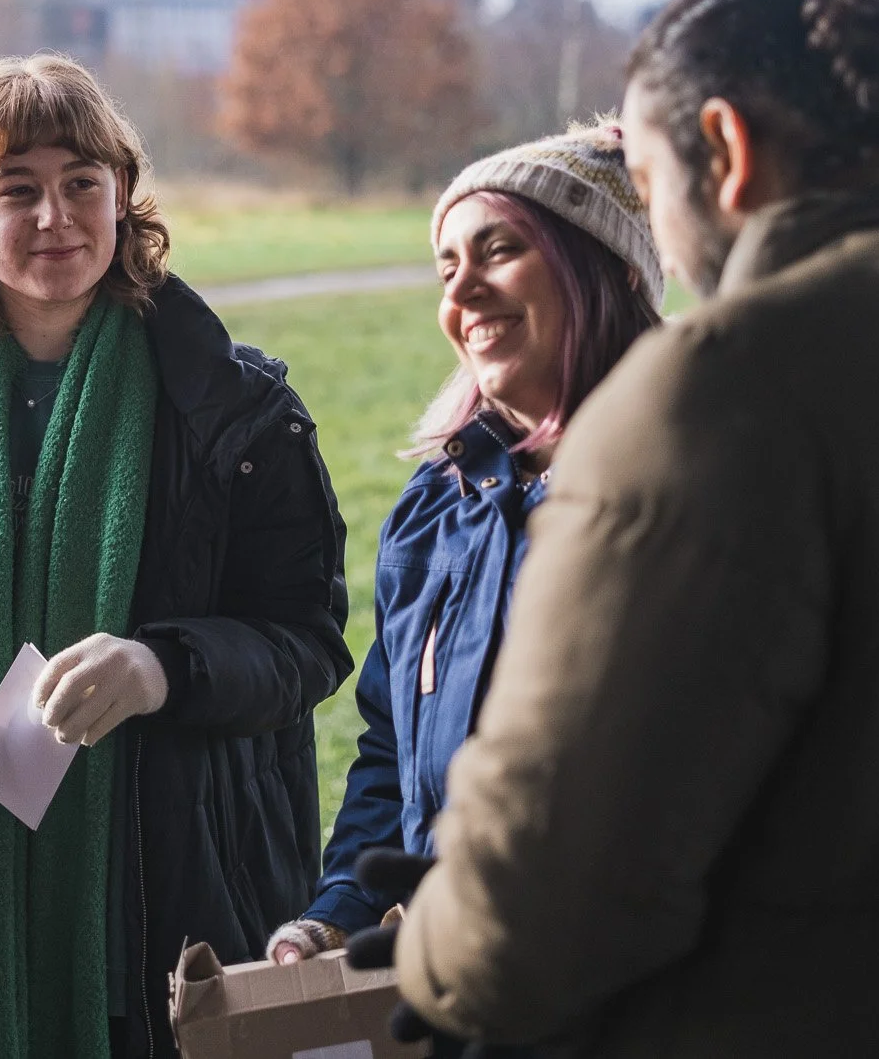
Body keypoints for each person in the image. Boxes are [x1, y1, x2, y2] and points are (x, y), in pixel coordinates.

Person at [387, 0, 879, 1054]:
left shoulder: (712, 393)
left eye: (652, 180)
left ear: (720, 149)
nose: (663, 243)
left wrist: (427, 943)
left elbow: (541, 906)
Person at [0, 54, 351, 1058]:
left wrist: (160, 666)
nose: (56, 218)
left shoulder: (235, 407)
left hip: (172, 892)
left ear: (122, 194)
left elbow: (305, 638)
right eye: (17, 190)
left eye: (81, 184)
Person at [265, 122, 661, 968]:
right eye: (448, 266)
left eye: (500, 249)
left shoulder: (687, 483)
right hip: (473, 976)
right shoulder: (436, 507)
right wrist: (339, 910)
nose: (465, 290)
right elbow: (390, 747)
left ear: (611, 269)